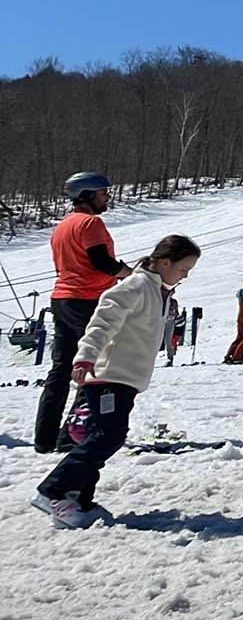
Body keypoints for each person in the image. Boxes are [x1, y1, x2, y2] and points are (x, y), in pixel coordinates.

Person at [33, 235, 200, 528]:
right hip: (108, 376)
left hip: (126, 379)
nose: (185, 276)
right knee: (108, 435)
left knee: (101, 435)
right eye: (183, 269)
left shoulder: (157, 291)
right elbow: (102, 323)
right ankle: (53, 491)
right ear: (165, 262)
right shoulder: (135, 286)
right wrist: (85, 357)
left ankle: (78, 500)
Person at [35, 172, 133, 455]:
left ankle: (44, 439)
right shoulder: (91, 222)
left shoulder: (63, 226)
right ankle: (74, 436)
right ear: (88, 195)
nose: (107, 199)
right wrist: (129, 275)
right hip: (87, 299)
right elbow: (101, 261)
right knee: (94, 365)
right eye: (103, 193)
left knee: (61, 369)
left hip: (62, 299)